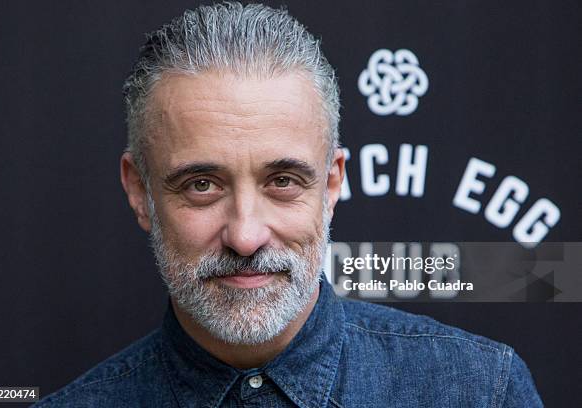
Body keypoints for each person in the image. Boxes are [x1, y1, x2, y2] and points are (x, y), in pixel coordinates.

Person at [35, 2, 542, 406]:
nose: (246, 235)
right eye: (202, 185)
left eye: (282, 180)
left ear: (331, 185)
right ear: (140, 192)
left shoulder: (481, 391)